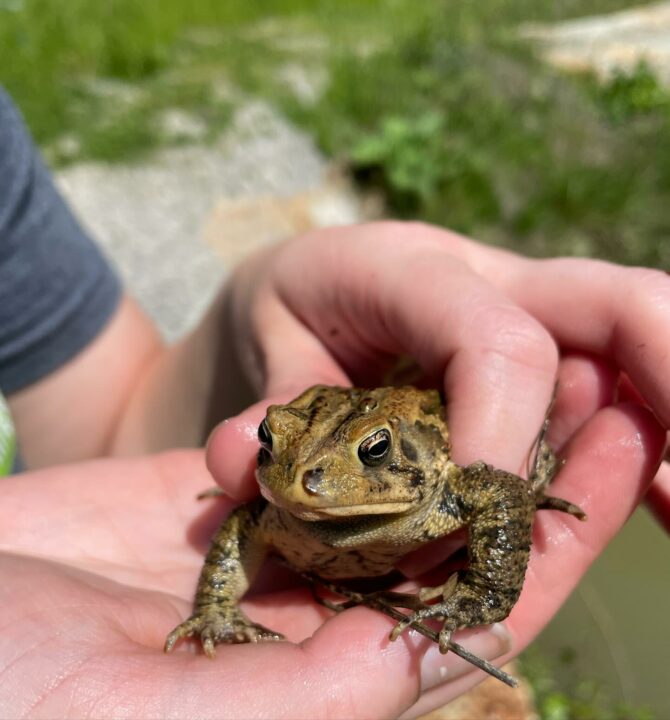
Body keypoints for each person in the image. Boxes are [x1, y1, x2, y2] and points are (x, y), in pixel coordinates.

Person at [1, 87, 669, 717]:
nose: (307, 479)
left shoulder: (437, 490)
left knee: (532, 464)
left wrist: (483, 591)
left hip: (411, 454)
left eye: (369, 454)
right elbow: (242, 529)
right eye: (273, 445)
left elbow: (499, 491)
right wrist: (217, 611)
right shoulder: (278, 508)